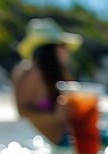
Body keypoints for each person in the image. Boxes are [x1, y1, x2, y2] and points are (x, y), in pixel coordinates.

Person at [11, 18, 82, 146]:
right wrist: (54, 115)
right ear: (51, 48)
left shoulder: (59, 73)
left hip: (75, 134)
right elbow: (22, 112)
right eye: (63, 45)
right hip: (63, 141)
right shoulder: (30, 71)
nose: (68, 51)